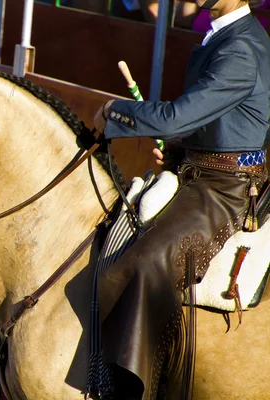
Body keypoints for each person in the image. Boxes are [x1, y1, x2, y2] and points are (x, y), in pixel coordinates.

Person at [92, 0, 270, 396]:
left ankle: (133, 389)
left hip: (224, 191)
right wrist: (179, 150)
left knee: (141, 265)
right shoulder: (223, 35)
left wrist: (114, 112)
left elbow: (178, 116)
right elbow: (222, 122)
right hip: (201, 171)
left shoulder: (239, 48)